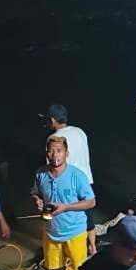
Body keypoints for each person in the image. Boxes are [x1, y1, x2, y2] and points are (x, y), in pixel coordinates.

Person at [32, 135, 95, 270]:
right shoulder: (41, 174)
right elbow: (35, 193)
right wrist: (37, 201)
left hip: (75, 231)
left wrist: (67, 207)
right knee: (56, 267)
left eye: (59, 151)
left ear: (67, 153)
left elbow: (91, 202)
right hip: (51, 231)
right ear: (47, 153)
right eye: (51, 151)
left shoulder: (77, 176)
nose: (55, 155)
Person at [46, 104, 97, 255]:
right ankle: (92, 246)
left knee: (68, 215)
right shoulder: (79, 131)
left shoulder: (53, 139)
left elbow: (52, 164)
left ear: (52, 120)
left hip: (69, 182)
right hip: (86, 178)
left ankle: (69, 248)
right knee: (86, 214)